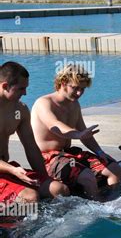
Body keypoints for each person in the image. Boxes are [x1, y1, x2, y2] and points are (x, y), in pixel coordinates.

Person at [31, 64, 121, 201]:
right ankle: (99, 208)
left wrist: (100, 152)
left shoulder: (74, 104)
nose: (79, 93)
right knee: (87, 177)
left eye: (82, 89)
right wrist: (77, 135)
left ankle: (115, 201)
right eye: (75, 88)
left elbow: (84, 134)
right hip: (47, 158)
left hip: (68, 153)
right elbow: (55, 125)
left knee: (115, 169)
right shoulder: (44, 103)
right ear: (63, 83)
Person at [0, 61, 69, 207]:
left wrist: (44, 178)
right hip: (9, 170)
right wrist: (13, 170)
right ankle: (16, 230)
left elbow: (31, 148)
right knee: (30, 198)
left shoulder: (20, 110)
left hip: (8, 170)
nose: (25, 93)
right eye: (21, 89)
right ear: (5, 86)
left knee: (59, 189)